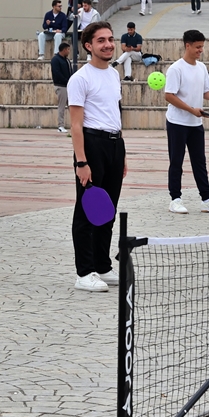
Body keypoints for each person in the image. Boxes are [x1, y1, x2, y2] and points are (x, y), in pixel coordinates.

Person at [68, 21, 125, 292]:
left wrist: (122, 152)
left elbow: (114, 113)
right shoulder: (80, 78)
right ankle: (84, 272)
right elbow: (76, 124)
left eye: (110, 39)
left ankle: (103, 266)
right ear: (89, 46)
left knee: (107, 211)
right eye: (101, 40)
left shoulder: (113, 74)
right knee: (87, 211)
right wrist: (81, 161)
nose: (108, 44)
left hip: (114, 144)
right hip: (91, 145)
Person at [164, 29, 209, 214]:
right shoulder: (176, 69)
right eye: (197, 47)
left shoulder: (201, 67)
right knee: (176, 161)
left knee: (199, 161)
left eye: (202, 46)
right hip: (177, 122)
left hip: (196, 124)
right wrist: (191, 110)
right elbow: (169, 95)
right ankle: (175, 200)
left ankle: (207, 199)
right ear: (188, 46)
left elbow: (205, 92)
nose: (201, 50)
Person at [51, 42, 73, 133]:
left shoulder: (67, 60)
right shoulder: (55, 60)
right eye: (68, 49)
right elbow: (57, 73)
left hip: (68, 86)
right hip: (61, 86)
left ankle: (75, 124)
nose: (69, 51)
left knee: (72, 106)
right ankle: (60, 126)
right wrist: (66, 81)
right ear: (64, 50)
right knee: (62, 106)